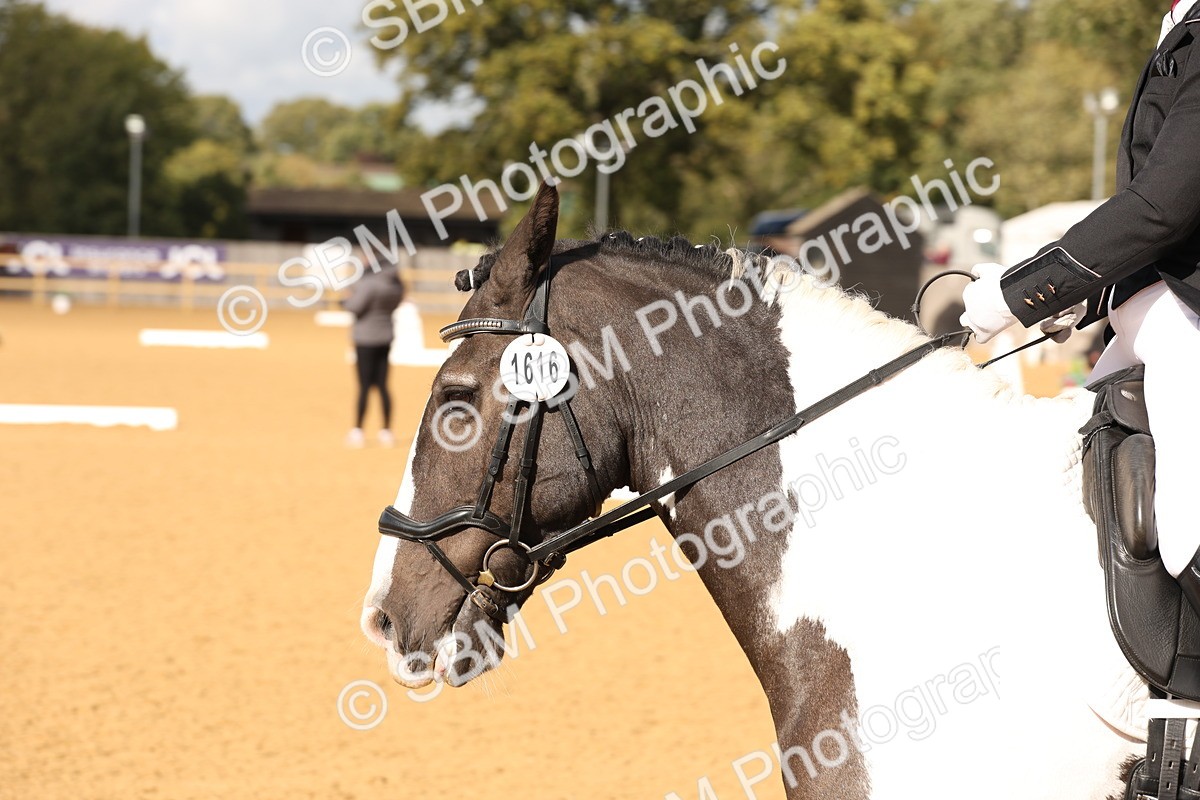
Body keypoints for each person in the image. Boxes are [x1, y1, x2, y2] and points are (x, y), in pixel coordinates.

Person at [960, 0, 1200, 611]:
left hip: (1187, 329)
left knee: (1186, 531)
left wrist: (1018, 295)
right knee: (1071, 476)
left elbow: (1162, 207)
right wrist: (1083, 296)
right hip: (1150, 328)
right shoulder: (1182, 28)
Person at [342, 264, 405, 448]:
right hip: (385, 337)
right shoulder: (396, 285)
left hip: (366, 339)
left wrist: (345, 299)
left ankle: (358, 430)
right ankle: (386, 431)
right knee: (383, 385)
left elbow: (355, 306)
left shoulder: (369, 284)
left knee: (364, 386)